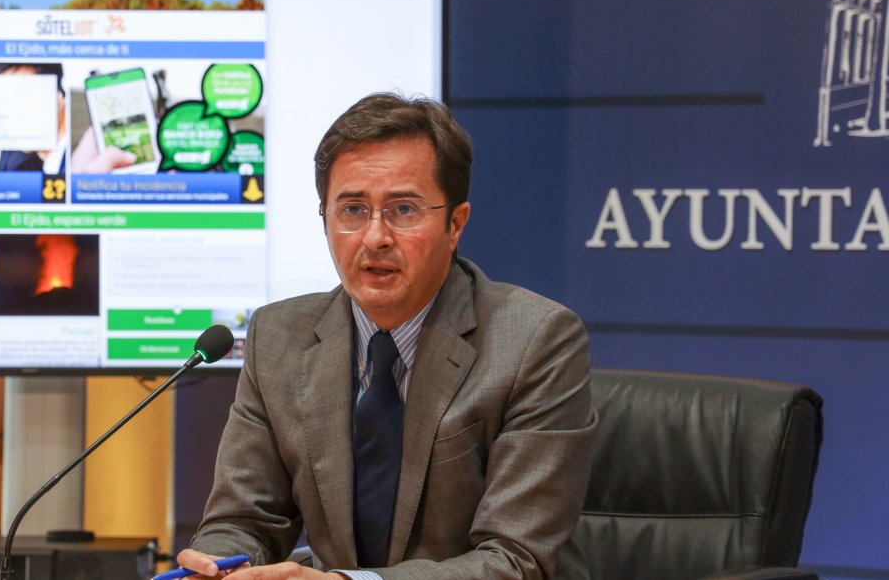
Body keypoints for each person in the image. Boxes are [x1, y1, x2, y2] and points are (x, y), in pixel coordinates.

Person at [175, 92, 596, 580]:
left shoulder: (535, 341)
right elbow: (243, 518)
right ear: (325, 218)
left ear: (454, 223)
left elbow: (516, 561)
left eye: (403, 209)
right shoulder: (278, 338)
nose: (375, 237)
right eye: (352, 210)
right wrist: (219, 564)